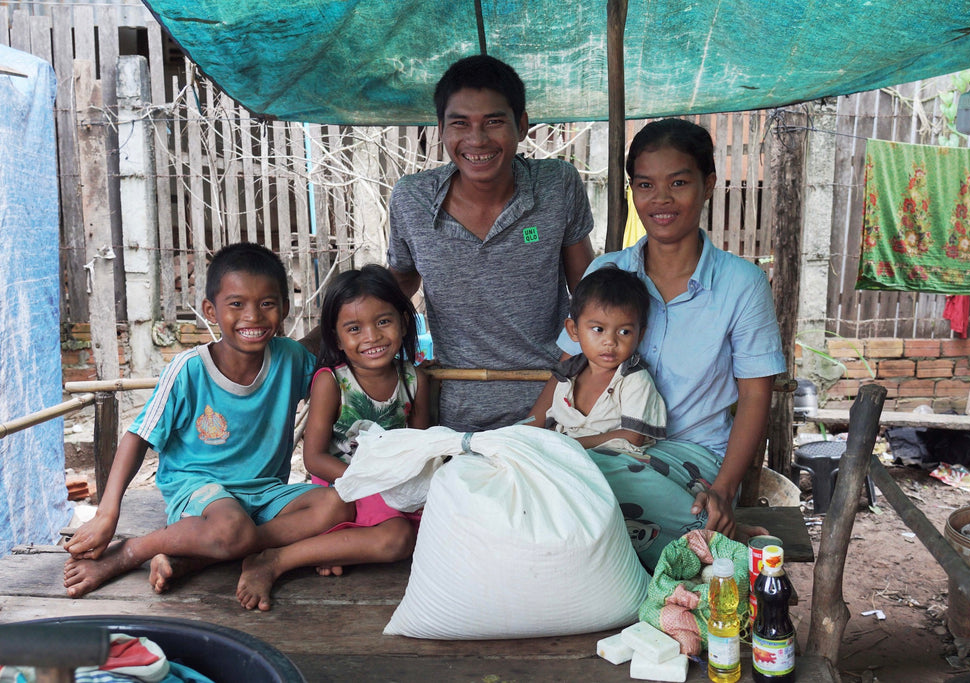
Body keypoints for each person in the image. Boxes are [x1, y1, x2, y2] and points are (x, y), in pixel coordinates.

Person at [530, 119, 786, 569]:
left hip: (692, 455)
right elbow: (567, 369)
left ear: (708, 185)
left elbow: (754, 396)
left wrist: (725, 490)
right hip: (603, 443)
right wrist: (528, 436)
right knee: (538, 473)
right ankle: (707, 545)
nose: (661, 199)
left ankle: (697, 534)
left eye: (679, 183)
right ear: (632, 190)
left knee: (591, 481)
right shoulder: (607, 272)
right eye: (645, 184)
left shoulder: (740, 284)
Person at [63, 243, 349, 598]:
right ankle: (132, 551)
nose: (253, 316)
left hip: (265, 492)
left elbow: (339, 383)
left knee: (338, 505)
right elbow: (138, 437)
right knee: (232, 528)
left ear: (285, 310)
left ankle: (201, 555)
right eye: (236, 304)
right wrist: (107, 512)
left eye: (267, 304)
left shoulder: (291, 359)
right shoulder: (188, 370)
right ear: (210, 311)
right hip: (201, 490)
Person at [387, 54, 595, 432]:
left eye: (494, 122)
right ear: (441, 129)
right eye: (460, 124)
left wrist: (578, 375)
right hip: (453, 409)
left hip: (553, 404)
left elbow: (587, 292)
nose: (476, 140)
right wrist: (330, 339)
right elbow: (396, 287)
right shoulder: (411, 200)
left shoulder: (557, 185)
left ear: (522, 125)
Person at [236, 265, 429, 611]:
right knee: (397, 539)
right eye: (354, 329)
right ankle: (276, 560)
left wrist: (403, 479)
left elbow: (419, 445)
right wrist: (370, 480)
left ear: (403, 321)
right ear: (338, 339)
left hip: (394, 485)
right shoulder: (332, 382)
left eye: (383, 322)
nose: (371, 337)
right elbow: (315, 460)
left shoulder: (415, 379)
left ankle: (341, 546)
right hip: (342, 484)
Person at [544, 265, 667, 456]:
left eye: (624, 332)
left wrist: (571, 444)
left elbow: (633, 436)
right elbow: (554, 425)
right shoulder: (568, 375)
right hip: (566, 456)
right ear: (573, 330)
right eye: (598, 329)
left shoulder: (633, 380)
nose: (610, 342)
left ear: (640, 335)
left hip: (616, 461)